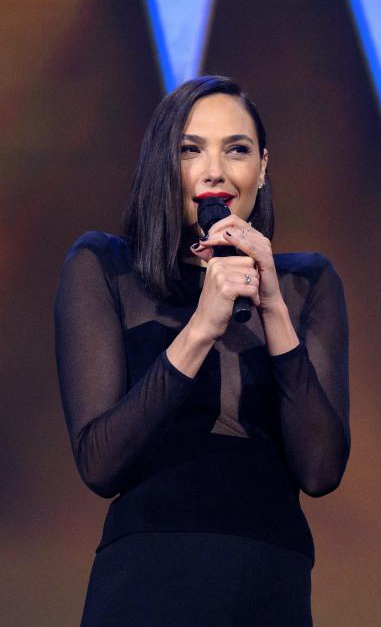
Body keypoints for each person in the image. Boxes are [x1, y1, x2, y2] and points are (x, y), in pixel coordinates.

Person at [55, 75, 349, 626]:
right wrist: (199, 330)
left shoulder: (308, 282)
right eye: (190, 150)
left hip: (271, 584)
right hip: (149, 579)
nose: (215, 170)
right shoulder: (105, 267)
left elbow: (321, 469)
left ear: (262, 168)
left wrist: (272, 308)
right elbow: (99, 464)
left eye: (236, 149)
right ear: (163, 166)